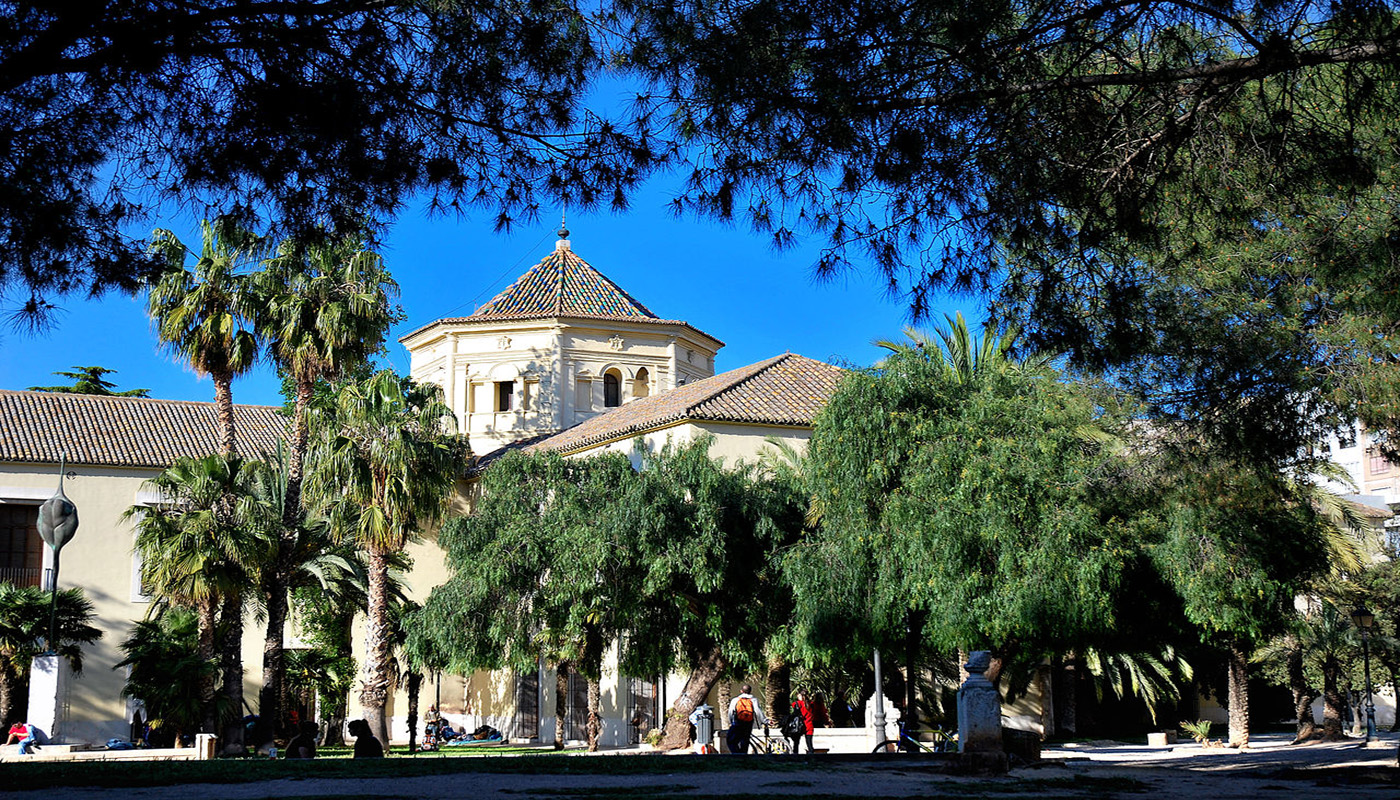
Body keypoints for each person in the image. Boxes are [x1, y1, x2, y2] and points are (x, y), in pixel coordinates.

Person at [725, 684, 767, 754]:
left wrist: (730, 722)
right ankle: (744, 756)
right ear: (750, 691)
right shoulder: (754, 700)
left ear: (741, 691)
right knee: (745, 741)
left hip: (737, 723)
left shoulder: (735, 700)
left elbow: (730, 713)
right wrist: (764, 721)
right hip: (748, 723)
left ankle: (737, 755)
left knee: (731, 740)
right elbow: (758, 711)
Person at [787, 689, 815, 754]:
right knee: (810, 745)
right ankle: (811, 759)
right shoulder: (811, 704)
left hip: (799, 726)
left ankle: (796, 758)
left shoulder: (797, 704)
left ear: (800, 695)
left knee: (796, 744)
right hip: (809, 725)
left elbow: (794, 712)